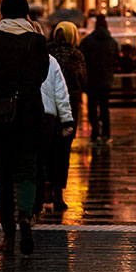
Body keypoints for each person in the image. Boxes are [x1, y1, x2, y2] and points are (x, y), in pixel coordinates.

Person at [0, 0, 49, 255]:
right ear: (26, 11)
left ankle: (8, 236)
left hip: (1, 117)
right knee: (28, 173)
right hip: (30, 117)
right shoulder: (38, 41)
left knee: (3, 178)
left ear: (3, 11)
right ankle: (25, 219)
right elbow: (42, 76)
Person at [46, 21, 86, 211]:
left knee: (46, 148)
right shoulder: (76, 55)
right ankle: (58, 193)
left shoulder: (46, 52)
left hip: (48, 105)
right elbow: (83, 80)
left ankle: (45, 186)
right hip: (69, 107)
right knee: (63, 151)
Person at [35, 53, 76, 214]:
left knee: (32, 160)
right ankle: (42, 196)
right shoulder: (50, 60)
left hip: (25, 115)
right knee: (46, 156)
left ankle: (33, 202)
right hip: (47, 115)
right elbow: (61, 92)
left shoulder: (19, 55)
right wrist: (66, 119)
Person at [79, 14, 118, 143]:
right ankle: (106, 134)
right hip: (106, 81)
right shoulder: (112, 42)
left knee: (92, 109)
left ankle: (95, 134)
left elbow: (81, 58)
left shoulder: (87, 41)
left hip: (91, 81)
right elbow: (116, 60)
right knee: (105, 108)